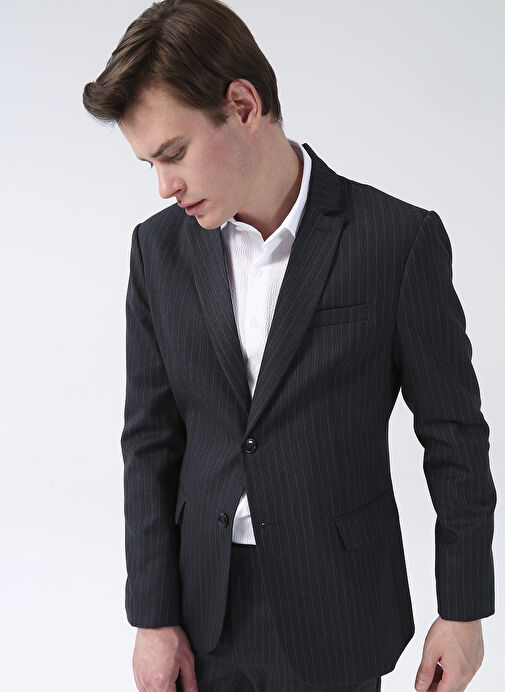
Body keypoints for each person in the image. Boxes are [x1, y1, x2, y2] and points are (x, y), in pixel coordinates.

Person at [82, 1, 497, 691]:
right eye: (148, 163)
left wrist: (463, 610)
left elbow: (454, 435)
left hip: (339, 605)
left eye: (174, 153)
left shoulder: (395, 242)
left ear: (243, 106)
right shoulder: (157, 251)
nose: (163, 186)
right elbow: (149, 440)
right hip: (204, 608)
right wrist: (152, 618)